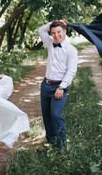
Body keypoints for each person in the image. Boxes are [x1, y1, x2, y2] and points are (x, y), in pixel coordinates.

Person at [38, 20, 78, 149]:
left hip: (59, 87)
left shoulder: (71, 50)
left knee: (56, 115)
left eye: (59, 32)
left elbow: (71, 71)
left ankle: (62, 146)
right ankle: (50, 141)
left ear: (65, 32)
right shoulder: (49, 43)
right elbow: (41, 30)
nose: (56, 35)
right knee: (46, 115)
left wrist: (61, 87)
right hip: (46, 85)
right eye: (53, 33)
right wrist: (58, 21)